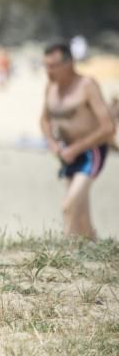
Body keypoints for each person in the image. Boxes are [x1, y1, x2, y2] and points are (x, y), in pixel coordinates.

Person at [40, 42, 116, 240]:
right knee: (81, 217)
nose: (48, 70)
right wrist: (51, 142)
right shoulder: (51, 87)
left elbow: (108, 127)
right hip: (66, 153)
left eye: (53, 66)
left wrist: (76, 148)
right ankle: (97, 249)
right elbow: (44, 119)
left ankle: (65, 256)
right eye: (45, 65)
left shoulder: (87, 86)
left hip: (91, 151)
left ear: (69, 64)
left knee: (69, 207)